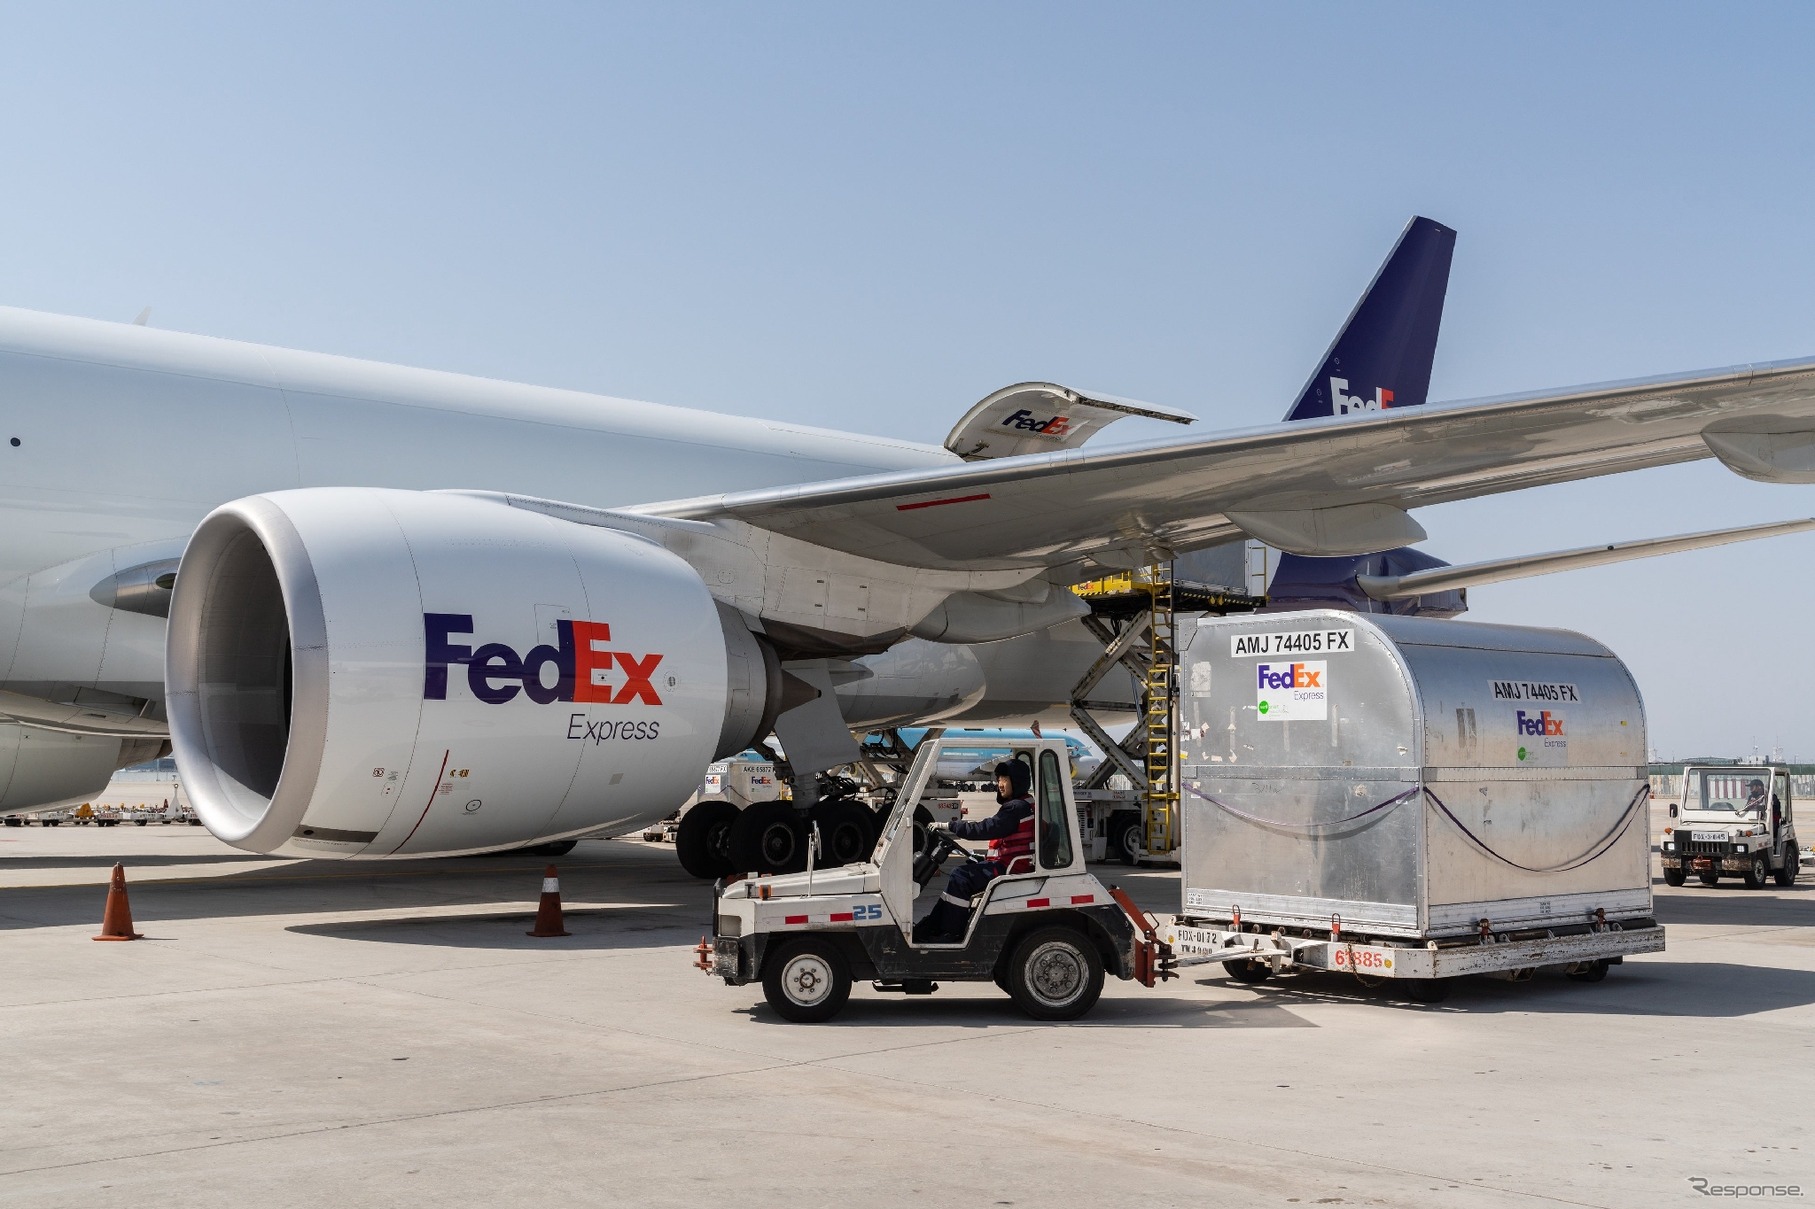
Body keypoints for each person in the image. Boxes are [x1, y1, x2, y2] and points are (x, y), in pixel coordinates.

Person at [914, 760, 1035, 943]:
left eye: (1005, 779)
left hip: (1008, 868)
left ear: (1017, 781)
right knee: (959, 878)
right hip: (1008, 863)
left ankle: (952, 932)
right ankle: (931, 926)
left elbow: (985, 828)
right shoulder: (1024, 803)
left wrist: (950, 825)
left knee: (960, 877)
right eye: (999, 778)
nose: (1000, 784)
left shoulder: (1015, 808)